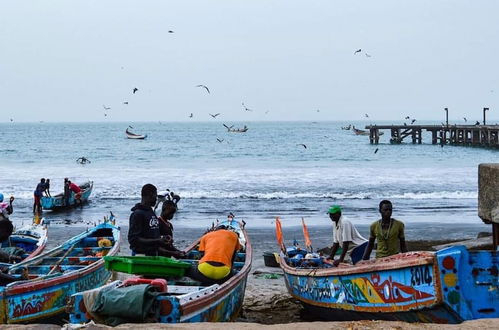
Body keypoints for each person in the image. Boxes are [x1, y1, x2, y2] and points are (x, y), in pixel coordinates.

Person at [128, 184, 170, 256]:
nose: (156, 199)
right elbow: (134, 240)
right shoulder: (137, 214)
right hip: (141, 256)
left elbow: (152, 233)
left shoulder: (151, 212)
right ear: (149, 195)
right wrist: (158, 240)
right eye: (155, 196)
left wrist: (163, 238)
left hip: (153, 254)